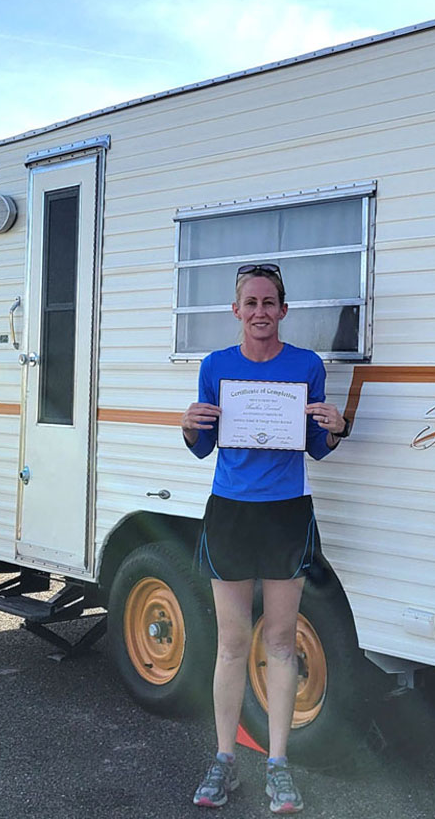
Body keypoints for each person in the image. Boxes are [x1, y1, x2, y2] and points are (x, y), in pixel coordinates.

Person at [181, 262, 350, 814]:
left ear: (283, 309)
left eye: (268, 302)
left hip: (285, 514)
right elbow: (203, 447)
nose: (259, 312)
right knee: (232, 643)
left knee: (280, 642)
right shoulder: (216, 366)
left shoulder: (307, 366)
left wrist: (335, 427)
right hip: (230, 512)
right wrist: (189, 426)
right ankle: (225, 760)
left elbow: (317, 448)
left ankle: (278, 764)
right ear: (236, 310)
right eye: (249, 303)